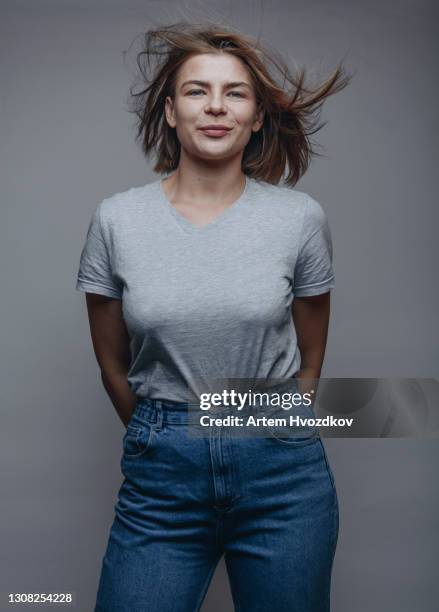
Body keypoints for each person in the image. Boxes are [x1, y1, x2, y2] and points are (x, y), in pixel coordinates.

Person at [75, 22, 350, 612]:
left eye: (236, 93)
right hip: (163, 478)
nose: (216, 107)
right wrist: (162, 432)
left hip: (283, 474)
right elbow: (110, 360)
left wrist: (277, 423)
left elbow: (312, 352)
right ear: (170, 112)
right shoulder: (117, 220)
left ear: (256, 117)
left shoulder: (299, 219)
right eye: (197, 91)